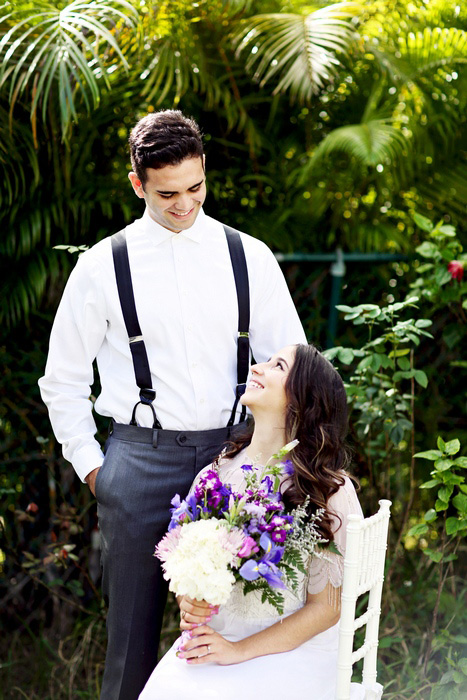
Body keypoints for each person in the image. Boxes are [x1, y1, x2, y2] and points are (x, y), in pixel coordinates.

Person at [38, 109, 306, 700]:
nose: (184, 204)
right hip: (136, 461)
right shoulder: (102, 267)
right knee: (130, 644)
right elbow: (61, 380)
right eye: (167, 194)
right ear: (137, 183)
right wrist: (95, 469)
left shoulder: (249, 258)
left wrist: (277, 457)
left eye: (194, 188)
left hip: (236, 460)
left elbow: (295, 362)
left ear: (205, 170)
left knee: (238, 632)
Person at [139, 343, 368, 700]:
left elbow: (326, 609)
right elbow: (188, 566)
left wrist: (239, 652)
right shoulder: (215, 474)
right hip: (218, 638)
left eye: (277, 365)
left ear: (302, 399)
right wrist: (191, 601)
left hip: (294, 651)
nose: (257, 367)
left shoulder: (327, 490)